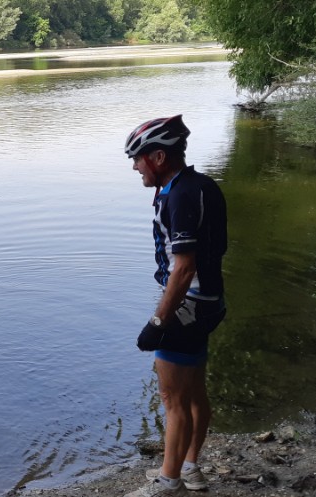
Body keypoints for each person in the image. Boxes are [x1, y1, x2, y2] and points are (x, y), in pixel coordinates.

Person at [122, 115, 228, 497]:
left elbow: (183, 268)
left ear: (159, 157)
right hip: (210, 301)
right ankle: (190, 467)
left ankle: (169, 483)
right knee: (194, 390)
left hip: (189, 305)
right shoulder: (199, 185)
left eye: (138, 158)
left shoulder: (181, 195)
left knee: (173, 399)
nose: (135, 167)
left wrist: (158, 322)